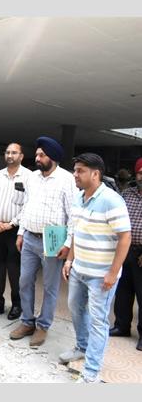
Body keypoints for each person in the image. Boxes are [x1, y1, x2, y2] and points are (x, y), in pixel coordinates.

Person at [60, 153, 131, 383]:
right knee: (75, 308)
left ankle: (91, 373)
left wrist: (112, 273)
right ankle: (81, 346)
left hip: (101, 276)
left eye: (80, 170)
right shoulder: (78, 198)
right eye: (75, 170)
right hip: (79, 269)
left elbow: (125, 237)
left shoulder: (111, 200)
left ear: (95, 174)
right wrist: (70, 260)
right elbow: (77, 232)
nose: (75, 175)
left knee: (97, 320)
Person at [9, 136, 77, 347]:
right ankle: (27, 321)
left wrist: (68, 243)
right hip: (30, 236)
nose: (37, 158)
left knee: (50, 287)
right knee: (24, 281)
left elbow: (73, 215)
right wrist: (21, 233)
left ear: (53, 158)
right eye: (37, 154)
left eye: (42, 155)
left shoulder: (66, 180)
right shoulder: (32, 178)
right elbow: (26, 206)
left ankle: (43, 326)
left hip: (53, 239)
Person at [0, 143, 30, 321]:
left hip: (16, 231)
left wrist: (12, 223)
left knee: (14, 270)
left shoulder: (28, 177)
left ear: (21, 156)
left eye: (14, 152)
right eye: (8, 152)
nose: (10, 155)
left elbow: (29, 205)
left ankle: (17, 305)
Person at [109, 157, 142, 351]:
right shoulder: (127, 194)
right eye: (139, 173)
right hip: (125, 249)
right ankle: (121, 326)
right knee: (122, 291)